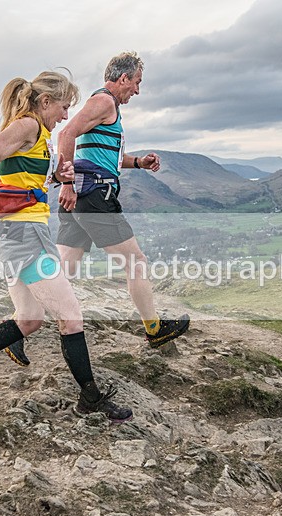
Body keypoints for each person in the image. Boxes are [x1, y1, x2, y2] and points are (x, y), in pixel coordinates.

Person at [0, 70, 133, 423]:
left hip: (16, 236)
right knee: (71, 315)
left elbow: (26, 178)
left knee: (30, 319)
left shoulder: (40, 135)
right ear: (45, 102)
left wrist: (59, 176)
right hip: (25, 237)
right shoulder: (28, 125)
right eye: (63, 107)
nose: (65, 115)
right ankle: (90, 398)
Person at [55, 52, 190, 348]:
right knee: (136, 262)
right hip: (94, 196)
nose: (137, 91)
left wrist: (139, 162)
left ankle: (19, 323)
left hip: (82, 196)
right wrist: (66, 183)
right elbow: (66, 134)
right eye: (137, 82)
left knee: (64, 269)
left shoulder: (106, 106)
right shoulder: (103, 102)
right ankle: (154, 329)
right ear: (124, 78)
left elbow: (104, 157)